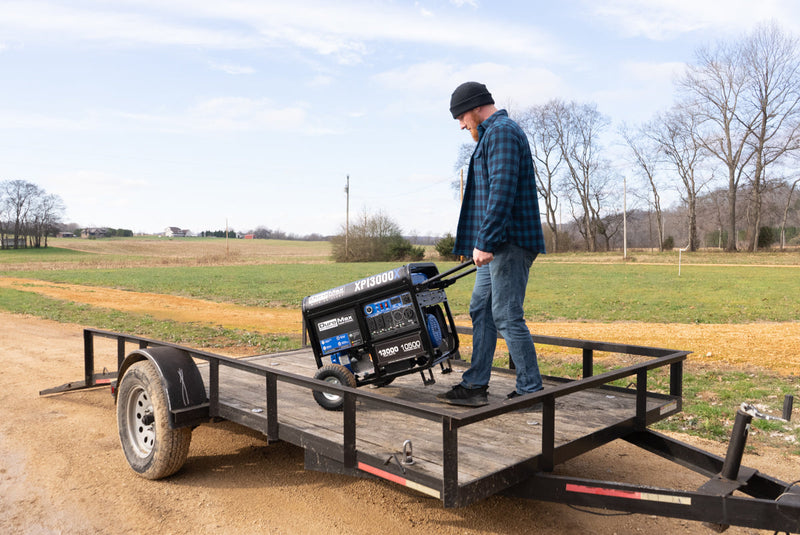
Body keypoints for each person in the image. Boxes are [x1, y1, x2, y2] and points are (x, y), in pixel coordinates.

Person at [437, 81, 546, 407]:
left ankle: (531, 390)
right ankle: (475, 386)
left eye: (461, 116)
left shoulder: (501, 133)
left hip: (507, 243)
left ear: (475, 107)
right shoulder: (492, 135)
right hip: (495, 244)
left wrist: (484, 242)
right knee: (481, 309)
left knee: (507, 314)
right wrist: (478, 243)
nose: (461, 125)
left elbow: (501, 192)